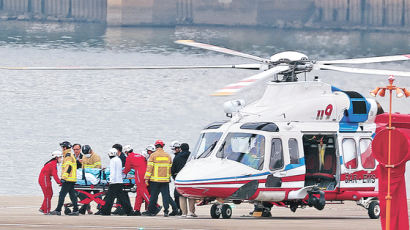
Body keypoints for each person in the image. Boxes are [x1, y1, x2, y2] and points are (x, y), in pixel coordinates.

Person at [143, 140, 178, 217]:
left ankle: (151, 211)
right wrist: (169, 178)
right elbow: (169, 169)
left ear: (156, 146)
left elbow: (149, 169)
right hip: (165, 180)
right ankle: (166, 211)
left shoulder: (153, 155)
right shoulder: (168, 156)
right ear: (163, 146)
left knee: (153, 197)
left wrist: (146, 178)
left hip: (155, 180)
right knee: (165, 196)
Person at [123, 145, 159, 216]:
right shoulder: (138, 155)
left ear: (126, 152)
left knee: (142, 190)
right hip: (145, 172)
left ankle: (154, 206)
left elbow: (127, 169)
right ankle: (137, 210)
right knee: (139, 193)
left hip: (139, 173)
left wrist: (122, 173)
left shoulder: (129, 157)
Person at [97, 148, 133, 216]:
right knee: (122, 198)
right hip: (119, 181)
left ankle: (106, 211)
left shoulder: (113, 160)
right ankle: (129, 211)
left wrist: (111, 180)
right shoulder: (118, 159)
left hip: (114, 182)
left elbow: (113, 172)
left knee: (110, 197)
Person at [50, 141, 79, 216]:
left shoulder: (68, 155)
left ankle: (58, 210)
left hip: (68, 179)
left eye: (62, 147)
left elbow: (68, 167)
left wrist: (64, 177)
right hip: (72, 179)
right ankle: (76, 210)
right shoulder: (69, 155)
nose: (62, 149)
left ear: (65, 147)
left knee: (62, 194)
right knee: (72, 195)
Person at [171, 143, 197, 217]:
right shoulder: (192, 156)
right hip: (191, 178)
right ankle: (192, 212)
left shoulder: (177, 157)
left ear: (181, 149)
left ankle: (184, 213)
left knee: (181, 196)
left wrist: (175, 178)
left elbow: (172, 170)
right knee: (191, 196)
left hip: (181, 178)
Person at [78, 145, 102, 214]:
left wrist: (88, 170)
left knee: (97, 194)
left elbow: (98, 168)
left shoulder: (96, 157)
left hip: (94, 178)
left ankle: (100, 208)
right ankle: (83, 209)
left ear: (90, 150)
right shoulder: (84, 156)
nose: (86, 155)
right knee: (84, 195)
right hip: (86, 180)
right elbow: (83, 168)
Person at [38, 150, 63, 214]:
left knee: (50, 194)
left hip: (45, 179)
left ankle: (43, 208)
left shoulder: (52, 163)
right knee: (48, 195)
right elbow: (55, 175)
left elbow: (54, 175)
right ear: (56, 157)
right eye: (60, 157)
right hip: (44, 180)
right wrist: (60, 182)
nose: (61, 159)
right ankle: (46, 211)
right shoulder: (53, 164)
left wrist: (59, 182)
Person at [170, 141, 182, 215]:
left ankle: (178, 210)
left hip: (178, 179)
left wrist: (174, 175)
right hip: (179, 178)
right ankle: (180, 209)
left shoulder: (177, 157)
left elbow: (173, 169)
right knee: (178, 195)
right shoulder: (178, 156)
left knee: (177, 195)